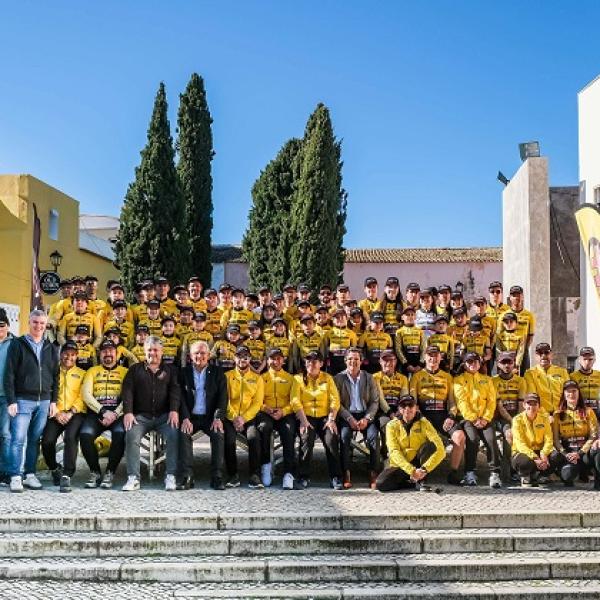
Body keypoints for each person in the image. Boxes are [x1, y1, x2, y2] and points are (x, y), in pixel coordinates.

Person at [4, 310, 58, 493]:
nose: (38, 326)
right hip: (22, 400)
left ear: (46, 325)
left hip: (44, 401)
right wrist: (11, 400)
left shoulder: (50, 347)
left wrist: (53, 401)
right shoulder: (18, 344)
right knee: (18, 439)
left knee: (34, 440)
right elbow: (9, 374)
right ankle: (15, 476)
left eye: (42, 323)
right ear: (29, 322)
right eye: (35, 322)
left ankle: (29, 474)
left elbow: (56, 376)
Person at [120, 336, 181, 491]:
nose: (152, 353)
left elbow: (175, 391)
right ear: (144, 351)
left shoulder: (170, 370)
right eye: (149, 350)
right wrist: (128, 412)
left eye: (155, 350)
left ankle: (171, 475)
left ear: (162, 351)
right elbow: (127, 391)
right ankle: (133, 477)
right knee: (131, 435)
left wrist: (174, 410)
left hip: (164, 416)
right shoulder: (134, 370)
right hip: (141, 417)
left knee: (174, 435)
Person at [410, 345, 464, 485]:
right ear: (425, 357)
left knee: (459, 436)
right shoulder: (416, 377)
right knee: (421, 438)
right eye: (430, 355)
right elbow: (413, 403)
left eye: (436, 356)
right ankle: (420, 472)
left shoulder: (447, 377)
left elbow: (452, 402)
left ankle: (453, 473)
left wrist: (451, 417)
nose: (432, 359)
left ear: (440, 358)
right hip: (424, 416)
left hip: (442, 416)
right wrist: (420, 417)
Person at [177, 340, 226, 490]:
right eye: (196, 353)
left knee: (218, 434)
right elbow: (180, 398)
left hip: (210, 417)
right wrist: (185, 417)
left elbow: (222, 397)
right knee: (183, 433)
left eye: (203, 353)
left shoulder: (218, 372)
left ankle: (217, 476)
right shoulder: (183, 373)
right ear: (190, 356)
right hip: (190, 417)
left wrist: (218, 417)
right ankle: (187, 476)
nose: (200, 356)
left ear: (209, 355)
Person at [80, 339, 127, 489]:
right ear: (100, 354)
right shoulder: (92, 371)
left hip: (117, 414)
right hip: (97, 412)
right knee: (85, 434)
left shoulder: (125, 372)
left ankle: (110, 472)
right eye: (105, 351)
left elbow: (129, 396)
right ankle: (95, 472)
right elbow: (86, 394)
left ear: (117, 353)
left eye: (111, 351)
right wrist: (102, 411)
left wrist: (115, 413)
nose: (108, 354)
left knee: (120, 433)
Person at [292, 351, 343, 490]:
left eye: (314, 361)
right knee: (306, 438)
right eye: (308, 361)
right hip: (306, 416)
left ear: (321, 363)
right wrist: (303, 421)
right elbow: (295, 400)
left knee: (331, 438)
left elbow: (335, 399)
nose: (311, 364)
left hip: (325, 416)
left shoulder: (328, 378)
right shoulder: (298, 379)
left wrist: (331, 419)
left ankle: (335, 476)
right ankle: (303, 476)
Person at [41, 341, 86, 493]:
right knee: (47, 441)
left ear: (77, 356)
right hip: (56, 413)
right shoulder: (53, 372)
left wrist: (71, 412)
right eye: (66, 354)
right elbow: (47, 393)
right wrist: (57, 413)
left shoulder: (82, 373)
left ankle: (67, 475)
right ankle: (54, 468)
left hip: (75, 413)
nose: (69, 357)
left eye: (73, 355)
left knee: (70, 437)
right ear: (60, 354)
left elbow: (83, 396)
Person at [375, 394, 445, 492]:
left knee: (430, 446)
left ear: (416, 408)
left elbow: (441, 449)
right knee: (380, 484)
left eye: (411, 405)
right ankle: (412, 482)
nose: (407, 409)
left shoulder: (425, 423)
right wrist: (411, 470)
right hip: (400, 464)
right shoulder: (391, 425)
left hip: (419, 463)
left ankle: (421, 479)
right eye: (404, 406)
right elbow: (393, 451)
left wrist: (425, 469)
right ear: (399, 409)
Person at [334, 347, 382, 489]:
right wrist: (349, 418)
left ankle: (373, 472)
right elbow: (336, 403)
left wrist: (367, 418)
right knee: (344, 437)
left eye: (356, 359)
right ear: (345, 361)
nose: (353, 362)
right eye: (350, 359)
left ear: (361, 361)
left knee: (374, 437)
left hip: (365, 414)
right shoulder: (338, 378)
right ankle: (346, 472)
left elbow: (374, 402)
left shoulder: (369, 378)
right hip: (347, 415)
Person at [453, 352, 501, 488]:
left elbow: (491, 401)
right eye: (469, 362)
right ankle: (469, 472)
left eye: (475, 361)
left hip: (485, 418)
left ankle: (495, 473)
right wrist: (474, 419)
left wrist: (485, 418)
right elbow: (461, 402)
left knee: (491, 439)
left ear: (480, 364)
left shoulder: (487, 380)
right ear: (464, 364)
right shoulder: (458, 380)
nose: (472, 364)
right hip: (468, 419)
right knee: (472, 439)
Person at [223, 346, 264, 488]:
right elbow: (225, 399)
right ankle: (232, 475)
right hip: (231, 417)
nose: (243, 359)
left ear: (250, 359)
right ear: (234, 358)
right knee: (229, 439)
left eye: (246, 356)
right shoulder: (227, 376)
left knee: (254, 437)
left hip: (249, 417)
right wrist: (234, 417)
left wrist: (243, 418)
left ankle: (254, 475)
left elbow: (257, 403)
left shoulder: (257, 378)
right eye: (239, 356)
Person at [256, 347, 297, 489]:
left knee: (289, 430)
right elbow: (257, 400)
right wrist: (266, 409)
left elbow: (295, 401)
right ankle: (266, 465)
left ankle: (288, 472)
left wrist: (283, 411)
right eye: (272, 358)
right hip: (266, 412)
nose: (276, 361)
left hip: (284, 413)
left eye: (279, 358)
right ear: (267, 361)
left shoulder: (291, 378)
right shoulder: (261, 378)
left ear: (283, 360)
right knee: (264, 428)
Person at [552, 380, 599, 487]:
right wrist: (565, 454)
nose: (571, 394)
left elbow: (593, 435)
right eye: (568, 391)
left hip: (584, 453)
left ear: (578, 393)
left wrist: (580, 453)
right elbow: (555, 439)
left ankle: (597, 479)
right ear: (564, 394)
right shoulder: (557, 414)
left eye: (574, 391)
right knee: (567, 475)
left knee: (598, 449)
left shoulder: (588, 411)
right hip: (569, 453)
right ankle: (576, 473)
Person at [511, 392, 555, 487]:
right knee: (525, 461)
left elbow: (549, 439)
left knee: (556, 455)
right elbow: (520, 444)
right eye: (529, 404)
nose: (532, 407)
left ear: (539, 406)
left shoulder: (544, 419)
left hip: (540, 451)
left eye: (535, 404)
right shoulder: (517, 420)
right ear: (524, 405)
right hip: (523, 452)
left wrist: (544, 453)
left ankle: (542, 476)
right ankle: (525, 475)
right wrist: (535, 458)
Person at [492, 351, 526, 463]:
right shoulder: (493, 381)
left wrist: (518, 419)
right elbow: (500, 407)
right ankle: (508, 464)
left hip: (516, 414)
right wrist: (513, 421)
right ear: (498, 364)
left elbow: (521, 403)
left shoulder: (520, 380)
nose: (507, 365)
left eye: (509, 362)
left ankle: (517, 462)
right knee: (509, 432)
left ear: (514, 364)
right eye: (503, 362)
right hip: (500, 417)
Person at [524, 343, 569, 416]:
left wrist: (561, 411)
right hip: (541, 415)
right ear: (535, 356)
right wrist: (545, 415)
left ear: (551, 355)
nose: (543, 356)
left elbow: (567, 394)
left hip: (561, 413)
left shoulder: (562, 371)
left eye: (546, 352)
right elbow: (533, 397)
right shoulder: (530, 373)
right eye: (540, 353)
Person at [506, 285, 535, 374]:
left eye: (518, 295)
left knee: (525, 376)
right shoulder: (504, 315)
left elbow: (531, 335)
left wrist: (524, 349)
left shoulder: (529, 315)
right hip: (509, 351)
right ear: (510, 298)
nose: (516, 297)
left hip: (523, 351)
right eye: (514, 295)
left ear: (522, 296)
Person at [0, 308, 14, 485]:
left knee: (5, 434)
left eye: (2, 325)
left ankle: (5, 471)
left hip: (7, 396)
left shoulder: (15, 344)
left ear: (8, 326)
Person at [570, 347, 600, 419]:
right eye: (584, 359)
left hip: (598, 410)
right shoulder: (572, 376)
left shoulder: (599, 374)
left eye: (590, 359)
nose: (587, 362)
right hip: (580, 411)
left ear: (594, 360)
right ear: (579, 360)